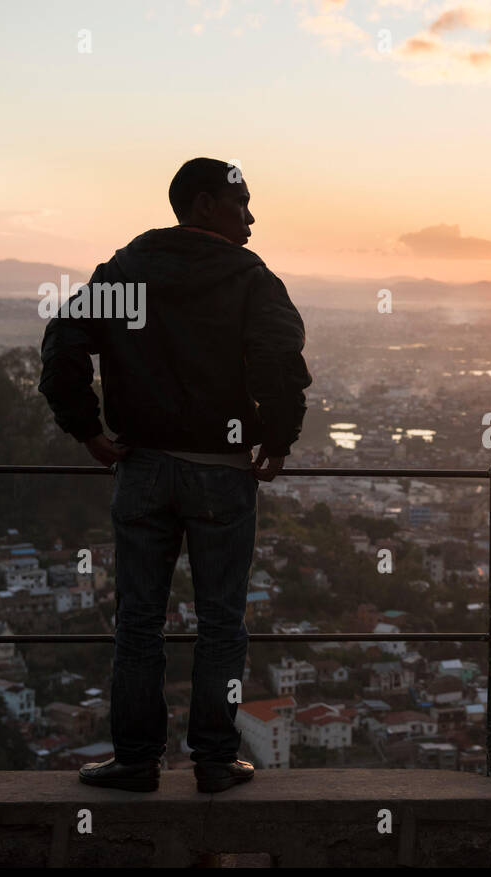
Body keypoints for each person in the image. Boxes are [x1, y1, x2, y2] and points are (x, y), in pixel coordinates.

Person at [39, 158, 311, 793]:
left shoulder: (129, 271)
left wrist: (89, 432)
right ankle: (215, 760)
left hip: (141, 471)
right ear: (207, 204)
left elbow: (63, 343)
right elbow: (279, 359)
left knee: (138, 621)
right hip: (221, 471)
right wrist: (277, 440)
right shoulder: (249, 278)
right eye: (243, 204)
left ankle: (136, 761)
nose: (252, 218)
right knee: (221, 622)